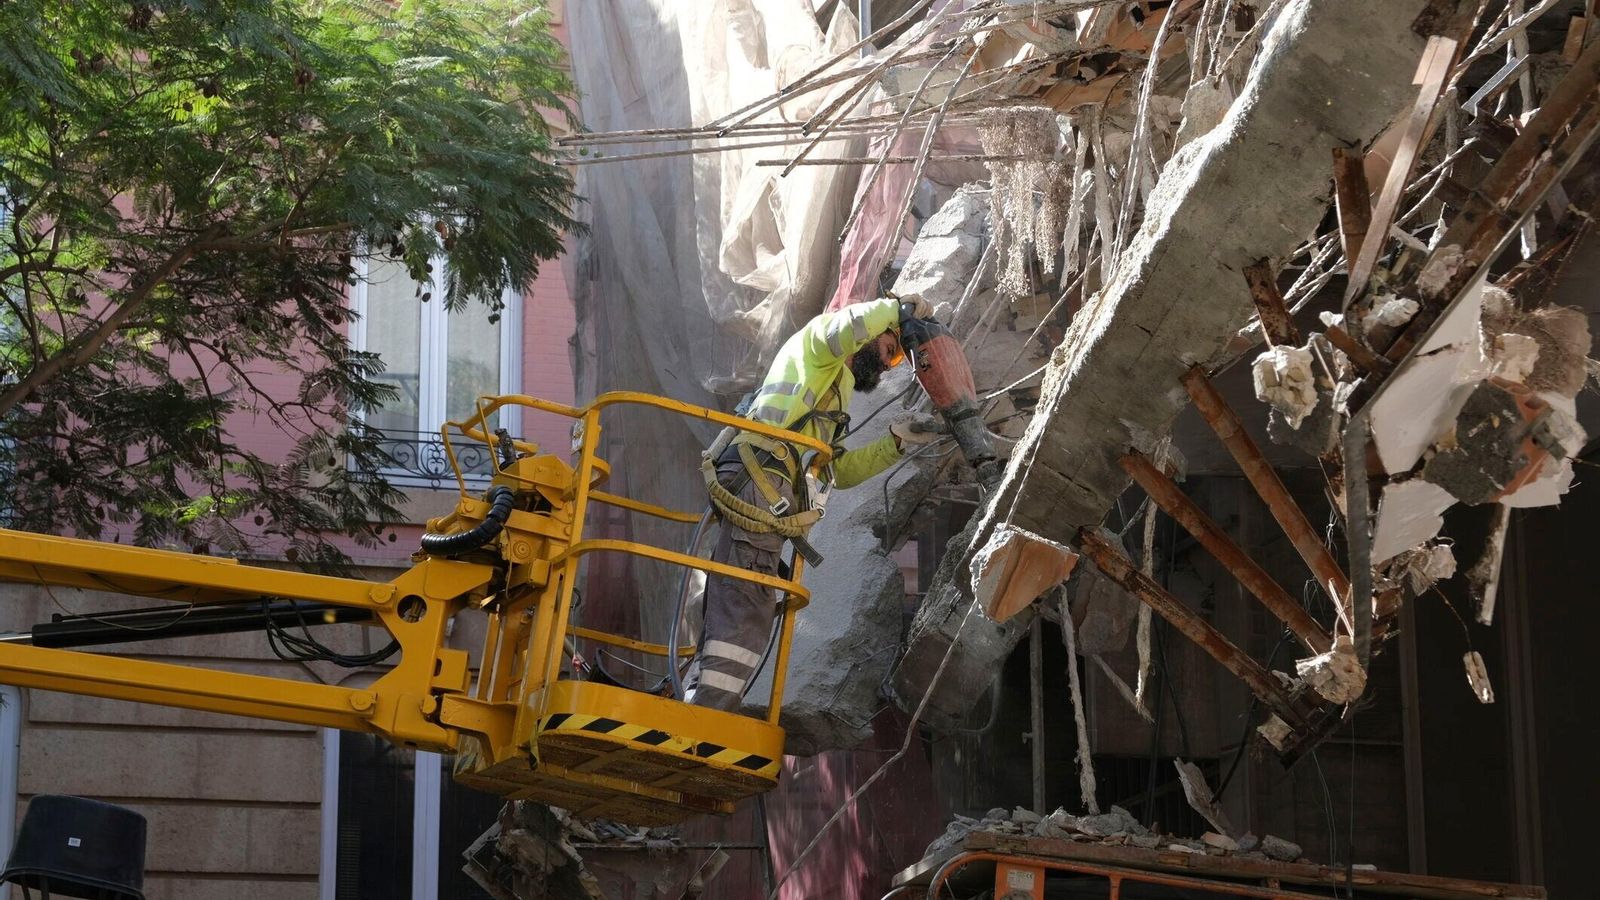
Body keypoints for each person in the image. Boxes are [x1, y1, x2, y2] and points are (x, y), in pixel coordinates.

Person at [689, 294, 944, 710]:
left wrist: (896, 443)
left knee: (741, 595)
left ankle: (698, 699)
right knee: (749, 602)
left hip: (764, 481)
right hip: (762, 476)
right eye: (889, 349)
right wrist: (897, 307)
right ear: (874, 330)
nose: (886, 362)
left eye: (896, 359)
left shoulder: (831, 389)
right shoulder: (819, 342)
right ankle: (706, 719)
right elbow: (850, 326)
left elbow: (837, 472)